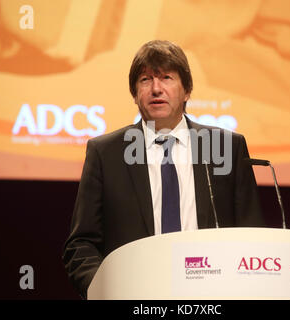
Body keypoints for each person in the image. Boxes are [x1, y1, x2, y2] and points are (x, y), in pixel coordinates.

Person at [62, 40, 265, 299]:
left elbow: (251, 235)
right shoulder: (106, 153)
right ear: (135, 93)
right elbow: (81, 244)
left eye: (167, 77)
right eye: (146, 80)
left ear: (187, 90)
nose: (156, 89)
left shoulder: (226, 147)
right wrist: (107, 290)